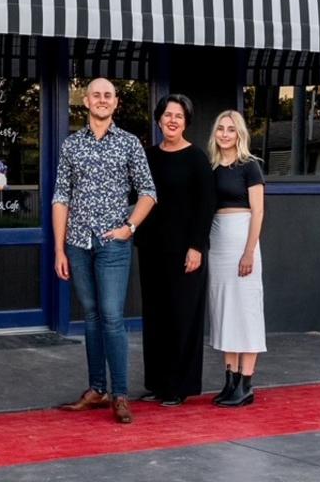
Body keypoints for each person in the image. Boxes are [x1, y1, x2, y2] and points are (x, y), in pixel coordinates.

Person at [52, 78, 157, 424]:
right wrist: (59, 249)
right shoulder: (71, 146)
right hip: (78, 243)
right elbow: (61, 198)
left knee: (112, 317)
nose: (101, 100)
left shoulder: (129, 144)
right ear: (86, 101)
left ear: (116, 103)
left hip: (114, 243)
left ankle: (121, 394)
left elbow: (148, 192)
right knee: (93, 316)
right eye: (96, 94)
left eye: (108, 95)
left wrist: (130, 227)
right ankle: (97, 389)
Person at [135, 94, 216, 407]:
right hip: (152, 249)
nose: (171, 120)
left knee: (182, 317)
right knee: (155, 317)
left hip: (186, 252)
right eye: (167, 115)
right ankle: (157, 383)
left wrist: (197, 246)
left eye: (178, 116)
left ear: (186, 122)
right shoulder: (148, 156)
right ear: (158, 119)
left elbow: (205, 206)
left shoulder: (196, 159)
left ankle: (179, 387)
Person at [206, 110, 266, 407]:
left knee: (246, 311)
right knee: (225, 309)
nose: (225, 134)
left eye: (231, 129)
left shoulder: (250, 166)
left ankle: (246, 383)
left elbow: (259, 211)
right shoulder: (213, 167)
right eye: (221, 129)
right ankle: (229, 381)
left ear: (240, 134)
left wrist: (248, 251)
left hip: (242, 239)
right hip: (217, 243)